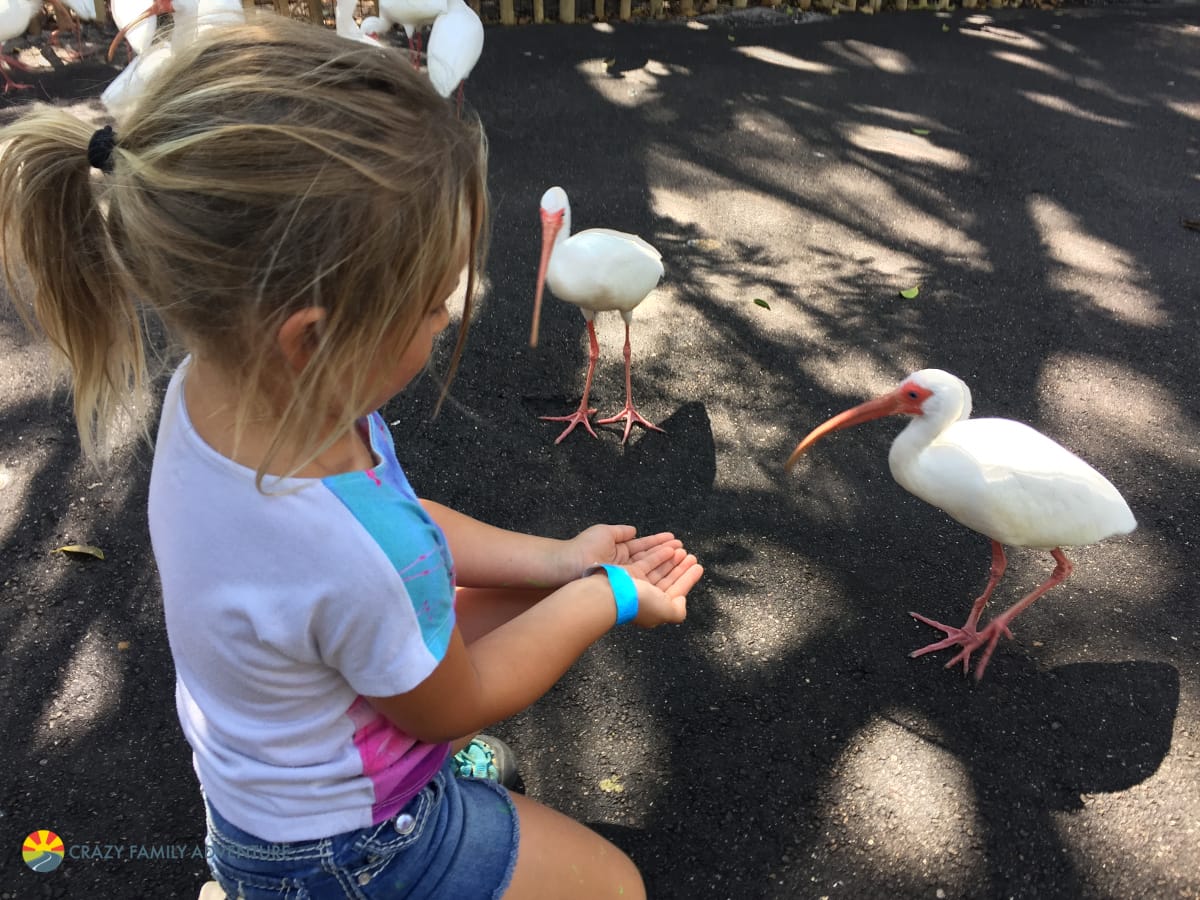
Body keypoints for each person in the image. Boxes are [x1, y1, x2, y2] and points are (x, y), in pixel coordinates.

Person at [0, 17, 704, 900]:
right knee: (615, 886)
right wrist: (612, 596)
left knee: (489, 598)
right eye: (431, 300)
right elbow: (459, 692)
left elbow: (396, 531)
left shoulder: (217, 391)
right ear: (315, 337)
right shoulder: (345, 548)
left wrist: (559, 562)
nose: (447, 317)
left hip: (263, 782)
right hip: (350, 847)